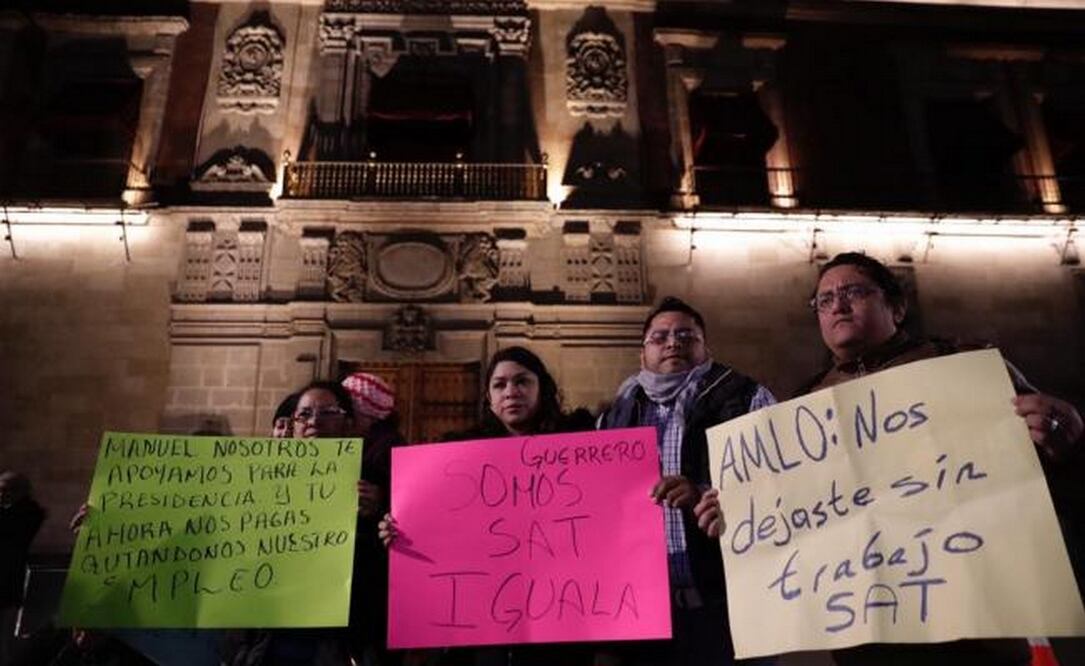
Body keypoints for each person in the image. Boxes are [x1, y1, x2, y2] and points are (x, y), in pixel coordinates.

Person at [799, 251, 1083, 666]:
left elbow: (1044, 470)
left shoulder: (964, 362)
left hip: (973, 612)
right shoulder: (805, 404)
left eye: (853, 291)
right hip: (866, 622)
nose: (837, 305)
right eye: (824, 300)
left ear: (896, 306)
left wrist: (1066, 441)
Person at [380, 346, 595, 666]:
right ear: (488, 397)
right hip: (476, 632)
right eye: (500, 384)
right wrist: (399, 530)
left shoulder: (583, 447)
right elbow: (434, 528)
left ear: (542, 388)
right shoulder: (456, 454)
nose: (511, 392)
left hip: (560, 623)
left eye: (522, 381)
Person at [596, 297, 777, 666]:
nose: (672, 343)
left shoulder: (747, 398)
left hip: (729, 609)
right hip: (644, 619)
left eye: (685, 335)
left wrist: (705, 492)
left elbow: (782, 483)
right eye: (659, 337)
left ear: (704, 347)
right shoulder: (612, 418)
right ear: (642, 353)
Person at [340, 372, 406, 666]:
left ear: (365, 413)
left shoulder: (383, 449)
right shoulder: (371, 445)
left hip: (371, 582)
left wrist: (379, 503)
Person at [1, 471, 46, 664]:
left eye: (4, 491)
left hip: (7, 581)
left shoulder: (27, 514)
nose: (0, 495)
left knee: (4, 635)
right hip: (8, 580)